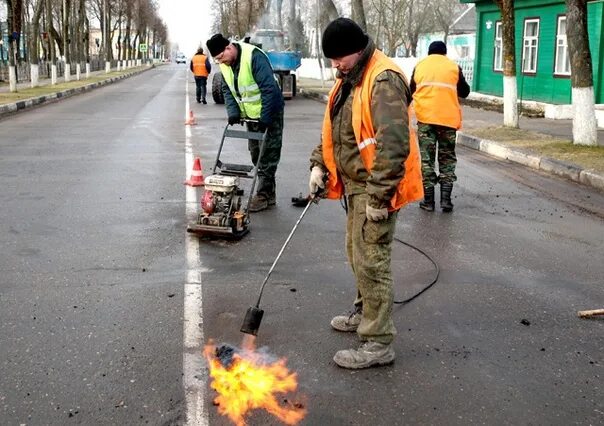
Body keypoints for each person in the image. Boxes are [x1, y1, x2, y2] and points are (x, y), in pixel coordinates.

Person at [308, 18, 423, 369]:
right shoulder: (350, 78)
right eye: (330, 59)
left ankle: (377, 343)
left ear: (356, 50)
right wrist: (319, 164)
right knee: (356, 253)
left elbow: (393, 145)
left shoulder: (383, 79)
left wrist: (378, 199)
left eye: (338, 58)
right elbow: (336, 128)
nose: (334, 65)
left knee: (372, 261)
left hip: (376, 190)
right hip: (357, 188)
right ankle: (364, 312)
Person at [206, 33, 285, 212]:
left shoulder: (254, 57)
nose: (220, 62)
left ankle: (264, 195)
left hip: (270, 112)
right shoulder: (226, 65)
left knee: (268, 155)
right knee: (255, 154)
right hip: (251, 114)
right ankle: (268, 193)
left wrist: (265, 117)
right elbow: (227, 87)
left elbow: (269, 89)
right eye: (217, 60)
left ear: (228, 47)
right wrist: (233, 112)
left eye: (221, 57)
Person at [410, 41, 470, 212]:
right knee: (447, 159)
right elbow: (465, 92)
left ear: (429, 54)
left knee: (427, 161)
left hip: (426, 120)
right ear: (444, 53)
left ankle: (428, 202)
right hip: (447, 121)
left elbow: (410, 90)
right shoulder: (453, 67)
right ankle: (446, 201)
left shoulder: (420, 67)